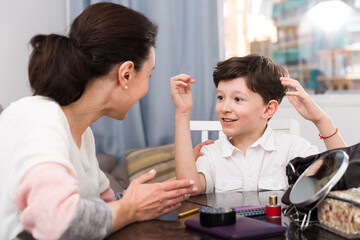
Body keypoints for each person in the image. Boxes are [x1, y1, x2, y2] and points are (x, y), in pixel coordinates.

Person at [0, 3, 198, 240]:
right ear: (126, 74)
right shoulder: (38, 119)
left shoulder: (82, 132)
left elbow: (102, 205)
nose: (147, 87)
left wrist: (153, 194)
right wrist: (132, 207)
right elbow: (59, 222)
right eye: (150, 75)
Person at [170, 54, 346, 196]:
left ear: (268, 109)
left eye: (238, 99)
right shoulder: (210, 154)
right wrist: (182, 113)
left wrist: (321, 120)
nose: (224, 108)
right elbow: (190, 187)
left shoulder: (293, 149)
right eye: (220, 97)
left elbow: (343, 181)